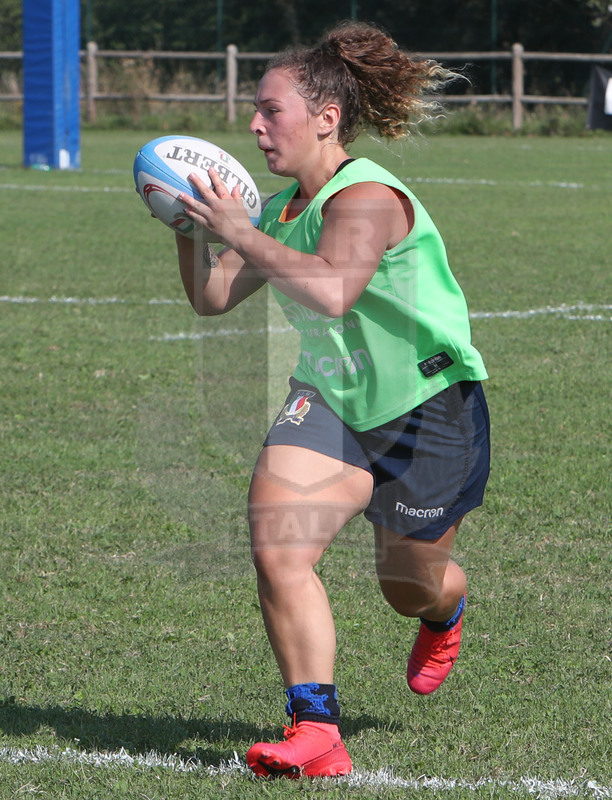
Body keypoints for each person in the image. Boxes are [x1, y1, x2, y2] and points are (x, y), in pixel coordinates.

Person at [174, 20, 490, 779]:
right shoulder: (280, 209)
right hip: (331, 400)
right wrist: (186, 229)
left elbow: (333, 289)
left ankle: (444, 609)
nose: (255, 126)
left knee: (407, 585)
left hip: (429, 408)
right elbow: (212, 297)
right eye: (254, 111)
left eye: (270, 111)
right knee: (278, 545)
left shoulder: (369, 196)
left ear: (326, 118)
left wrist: (240, 232)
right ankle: (315, 729)